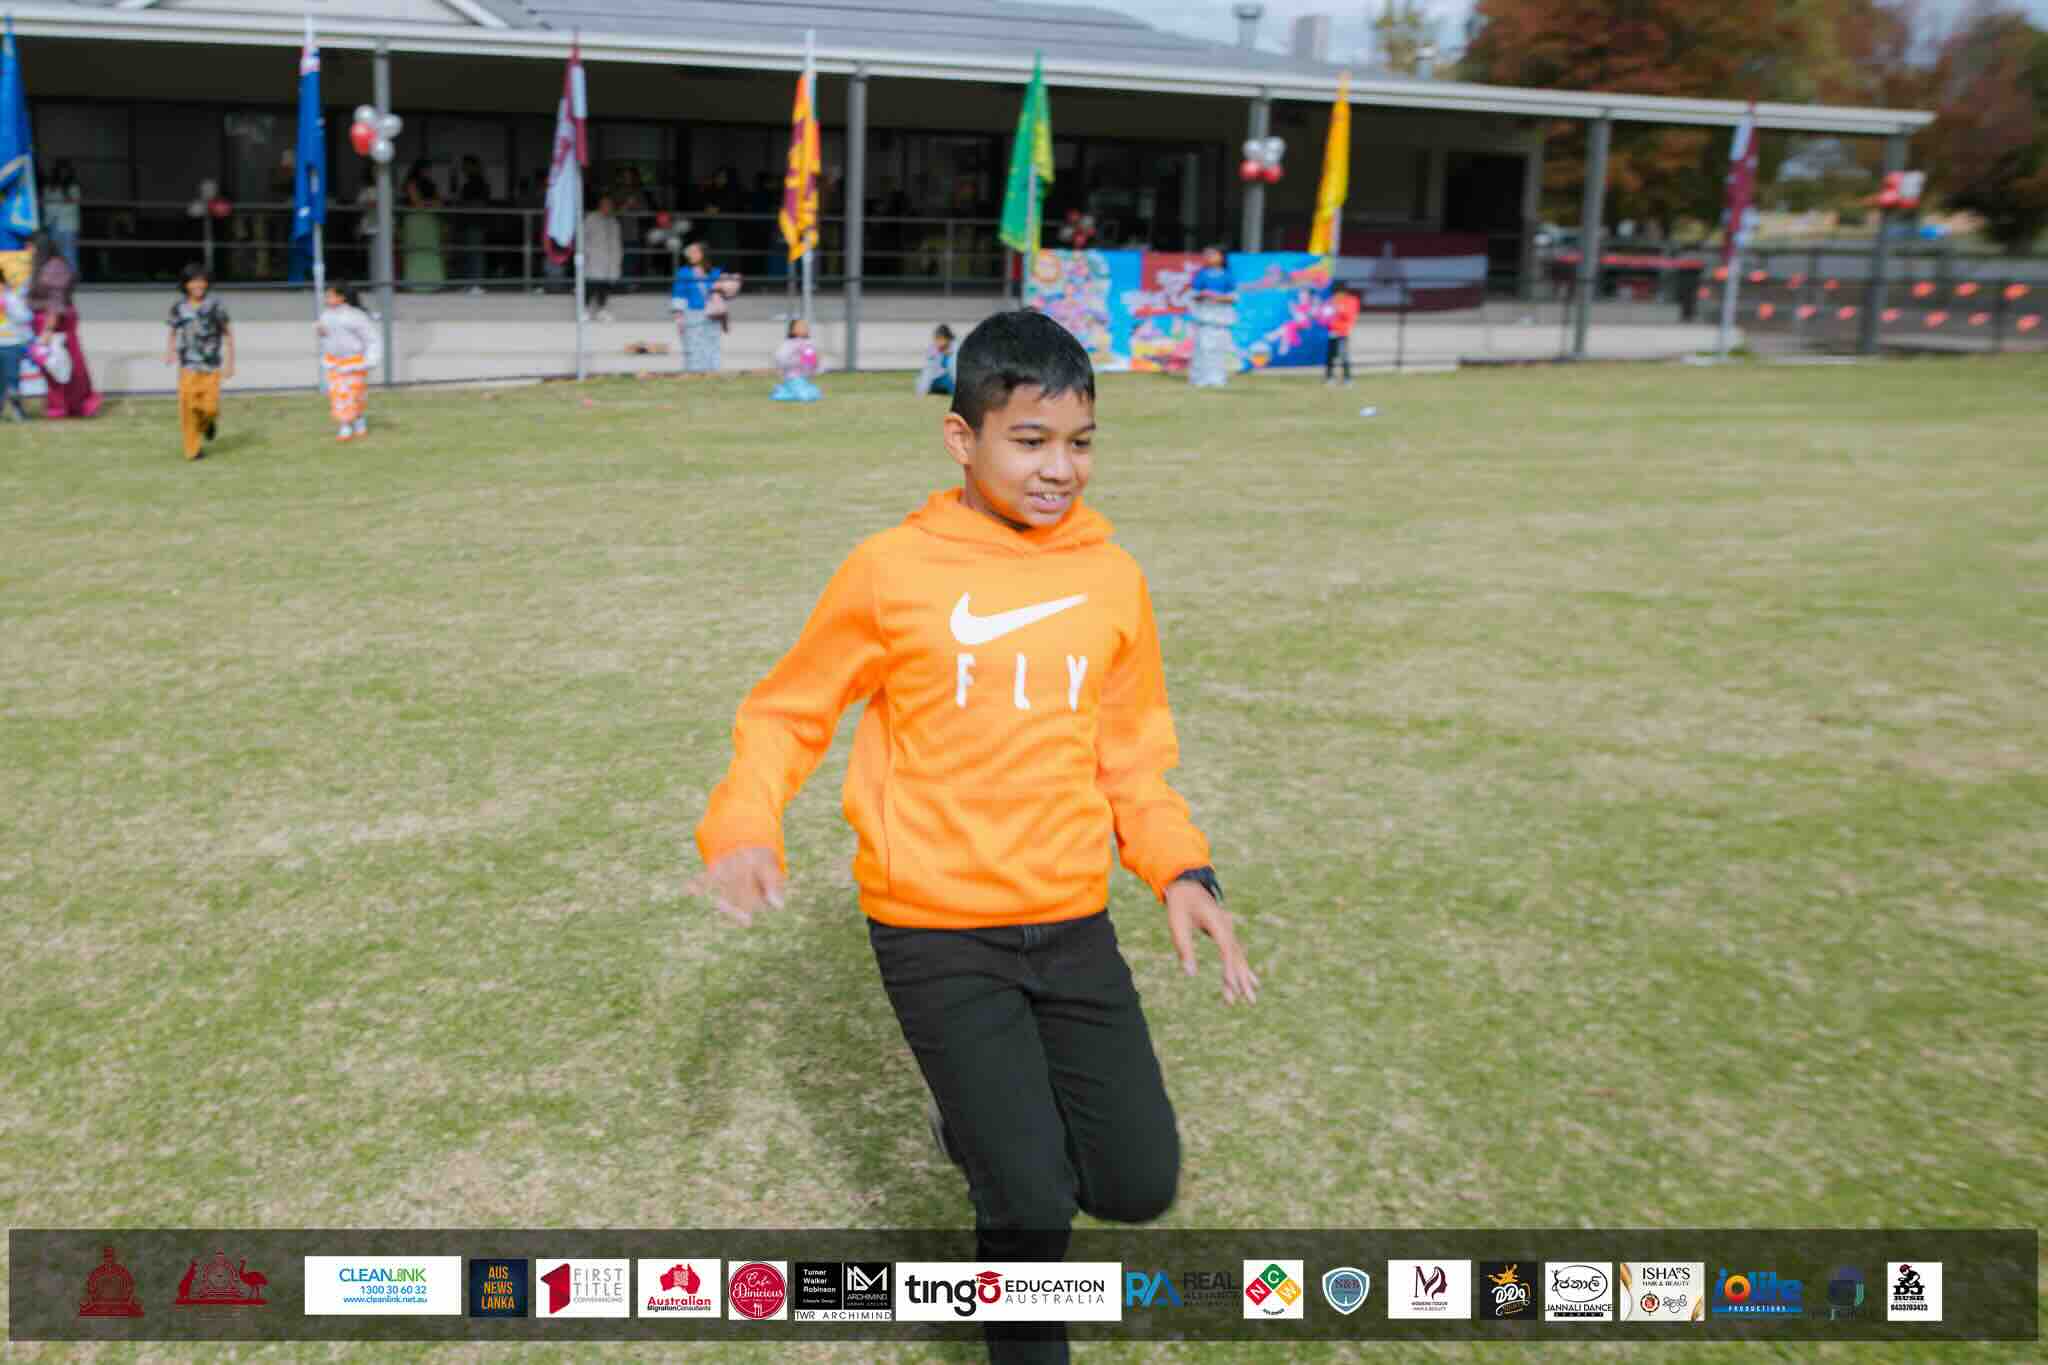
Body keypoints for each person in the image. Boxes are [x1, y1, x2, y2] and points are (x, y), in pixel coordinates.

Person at [692, 310, 1258, 1365]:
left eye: (1080, 442)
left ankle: (979, 1128)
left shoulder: (1111, 578)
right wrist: (742, 824)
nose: (1060, 469)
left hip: (1070, 920)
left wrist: (1181, 868)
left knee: (1134, 1188)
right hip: (935, 930)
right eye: (1030, 442)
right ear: (963, 439)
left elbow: (1131, 757)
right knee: (1028, 1202)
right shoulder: (889, 569)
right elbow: (789, 712)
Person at [163, 263, 233, 461]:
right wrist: (170, 352)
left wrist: (230, 363)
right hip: (188, 366)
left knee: (209, 408)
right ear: (185, 284)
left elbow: (228, 334)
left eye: (201, 280)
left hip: (211, 365)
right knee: (189, 409)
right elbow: (172, 331)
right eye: (193, 281)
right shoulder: (179, 307)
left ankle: (208, 423)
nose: (198, 285)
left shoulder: (216, 305)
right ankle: (193, 451)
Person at [27, 230, 100, 419]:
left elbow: (55, 302)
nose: (28, 250)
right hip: (43, 321)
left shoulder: (55, 266)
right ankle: (57, 405)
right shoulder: (40, 266)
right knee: (52, 366)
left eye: (31, 246)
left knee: (67, 363)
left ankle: (76, 405)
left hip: (57, 323)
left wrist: (48, 331)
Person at [317, 281, 382, 442]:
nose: (327, 299)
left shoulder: (355, 316)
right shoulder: (326, 315)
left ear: (342, 298)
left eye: (331, 296)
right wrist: (322, 333)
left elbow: (372, 339)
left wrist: (370, 360)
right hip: (335, 363)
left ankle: (358, 419)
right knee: (339, 395)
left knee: (354, 394)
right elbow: (328, 340)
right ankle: (345, 425)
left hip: (354, 362)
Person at [669, 240, 739, 374]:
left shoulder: (716, 272)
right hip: (692, 313)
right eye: (690, 252)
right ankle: (694, 373)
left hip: (712, 314)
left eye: (694, 252)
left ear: (703, 254)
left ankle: (712, 372)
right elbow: (679, 294)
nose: (691, 254)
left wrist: (726, 287)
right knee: (692, 346)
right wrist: (679, 317)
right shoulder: (684, 273)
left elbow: (726, 293)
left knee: (712, 344)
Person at [1187, 245, 1236, 389]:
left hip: (1221, 319)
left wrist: (1218, 297)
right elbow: (1193, 294)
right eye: (1207, 255)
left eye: (1213, 254)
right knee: (1202, 349)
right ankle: (1200, 378)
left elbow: (1233, 297)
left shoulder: (1228, 276)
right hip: (1205, 318)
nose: (1209, 257)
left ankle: (1218, 378)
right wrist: (1202, 295)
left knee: (1219, 350)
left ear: (1222, 257)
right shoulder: (1201, 275)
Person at [401, 164, 446, 290]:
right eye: (426, 169)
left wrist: (426, 204)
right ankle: (417, 284)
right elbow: (418, 203)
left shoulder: (430, 184)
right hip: (418, 220)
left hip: (427, 221)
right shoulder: (412, 183)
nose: (428, 172)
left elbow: (438, 203)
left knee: (430, 251)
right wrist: (430, 204)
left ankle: (430, 283)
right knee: (417, 251)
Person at [581, 194, 624, 322]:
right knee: (591, 284)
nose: (608, 207)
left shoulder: (614, 221)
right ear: (600, 205)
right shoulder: (590, 219)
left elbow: (617, 240)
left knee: (605, 285)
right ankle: (583, 310)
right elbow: (582, 237)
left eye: (610, 205)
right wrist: (585, 253)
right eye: (606, 205)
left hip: (610, 259)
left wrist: (618, 256)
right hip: (594, 257)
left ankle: (602, 310)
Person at [0, 269, 31, 421]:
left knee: (13, 380)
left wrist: (8, 308)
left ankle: (17, 411)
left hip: (12, 344)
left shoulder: (12, 298)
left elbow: (25, 317)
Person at [458, 156, 491, 294]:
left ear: (473, 166)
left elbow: (480, 203)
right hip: (471, 222)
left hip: (475, 222)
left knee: (475, 254)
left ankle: (476, 284)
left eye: (465, 165)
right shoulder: (474, 182)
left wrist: (463, 206)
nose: (463, 169)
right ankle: (470, 284)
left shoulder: (478, 182)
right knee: (470, 254)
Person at [43, 161, 84, 275]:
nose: (63, 173)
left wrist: (57, 205)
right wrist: (61, 204)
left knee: (69, 253)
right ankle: (57, 280)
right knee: (54, 255)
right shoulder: (49, 187)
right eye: (61, 170)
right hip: (53, 224)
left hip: (68, 224)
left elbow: (73, 204)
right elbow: (47, 205)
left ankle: (72, 281)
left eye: (65, 170)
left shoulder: (74, 187)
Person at [770, 317, 821, 402]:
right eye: (799, 326)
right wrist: (796, 360)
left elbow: (812, 362)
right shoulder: (788, 344)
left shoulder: (809, 344)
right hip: (792, 378)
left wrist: (815, 362)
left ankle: (785, 390)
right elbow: (780, 358)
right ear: (792, 330)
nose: (803, 328)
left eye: (804, 326)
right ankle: (782, 392)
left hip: (804, 379)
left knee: (816, 394)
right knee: (803, 396)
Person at [1323, 281, 1360, 385]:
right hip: (1332, 332)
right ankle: (1329, 378)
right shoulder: (1331, 301)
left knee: (1344, 356)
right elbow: (1325, 316)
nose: (1337, 295)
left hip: (1343, 333)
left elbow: (1350, 316)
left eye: (1338, 293)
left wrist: (1339, 309)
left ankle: (1348, 379)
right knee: (1330, 356)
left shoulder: (1351, 301)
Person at [914, 323, 956, 396]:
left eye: (941, 339)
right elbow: (927, 371)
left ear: (948, 339)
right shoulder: (933, 351)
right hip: (937, 380)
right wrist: (921, 391)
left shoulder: (956, 349)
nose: (938, 342)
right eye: (936, 339)